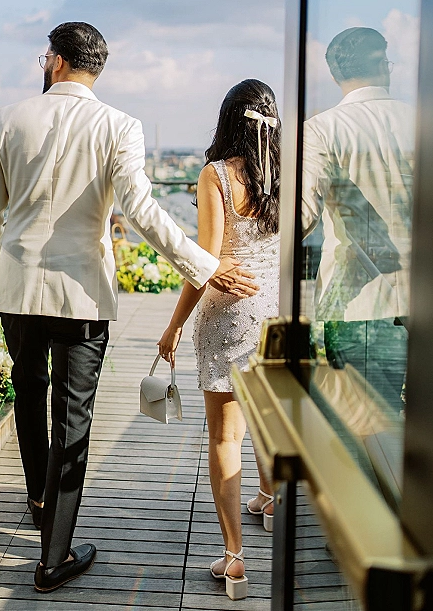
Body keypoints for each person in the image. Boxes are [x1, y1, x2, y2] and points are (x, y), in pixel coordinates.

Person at [0, 22, 259, 593]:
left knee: (29, 393)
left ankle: (38, 500)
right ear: (94, 68)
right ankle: (53, 556)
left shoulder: (6, 118)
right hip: (82, 295)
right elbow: (141, 210)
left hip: (18, 289)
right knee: (72, 415)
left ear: (53, 61)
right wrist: (203, 266)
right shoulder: (119, 126)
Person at [158, 79, 281, 600]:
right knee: (269, 420)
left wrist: (174, 324)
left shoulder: (216, 176)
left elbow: (204, 261)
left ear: (228, 119)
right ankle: (270, 500)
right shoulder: (285, 175)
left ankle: (233, 558)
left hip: (229, 316)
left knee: (224, 436)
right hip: (275, 312)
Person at [302, 27, 415, 413]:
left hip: (357, 305)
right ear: (385, 67)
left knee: (361, 430)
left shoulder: (323, 129)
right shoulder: (422, 121)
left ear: (335, 75)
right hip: (428, 297)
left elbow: (302, 216)